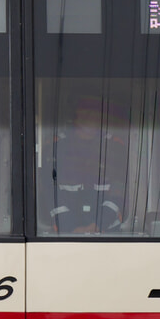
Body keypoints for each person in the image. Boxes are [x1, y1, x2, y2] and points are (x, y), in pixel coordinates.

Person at [47, 96, 128, 234]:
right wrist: (71, 228)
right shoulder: (56, 146)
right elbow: (48, 190)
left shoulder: (116, 146)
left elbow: (120, 188)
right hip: (65, 233)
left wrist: (99, 224)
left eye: (94, 113)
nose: (90, 117)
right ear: (76, 114)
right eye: (85, 111)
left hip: (109, 233)